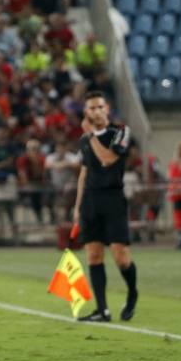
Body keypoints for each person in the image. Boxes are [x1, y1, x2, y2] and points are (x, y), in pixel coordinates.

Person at [73, 91, 138, 322]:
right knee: (93, 255)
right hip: (91, 201)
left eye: (100, 106)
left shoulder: (120, 132)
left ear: (107, 108)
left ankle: (132, 293)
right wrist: (77, 206)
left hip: (113, 199)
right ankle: (103, 310)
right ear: (86, 112)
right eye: (91, 108)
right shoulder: (84, 140)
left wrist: (91, 135)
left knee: (121, 257)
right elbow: (84, 171)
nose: (96, 111)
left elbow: (108, 159)